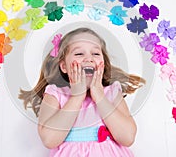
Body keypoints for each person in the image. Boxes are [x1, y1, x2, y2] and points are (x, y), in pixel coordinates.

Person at [19, 27, 145, 156]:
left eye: (95, 54)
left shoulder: (111, 93)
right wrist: (76, 97)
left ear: (104, 65)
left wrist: (100, 97)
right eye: (79, 54)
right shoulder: (55, 94)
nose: (89, 59)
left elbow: (128, 137)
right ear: (64, 66)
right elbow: (49, 140)